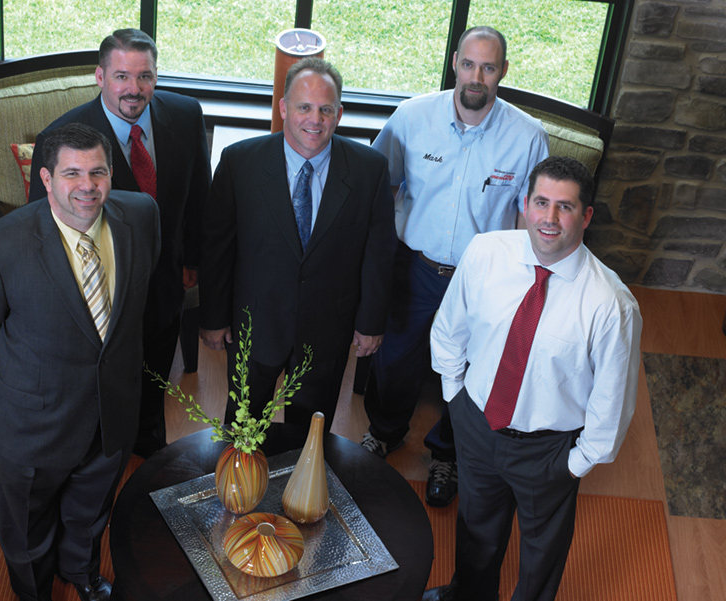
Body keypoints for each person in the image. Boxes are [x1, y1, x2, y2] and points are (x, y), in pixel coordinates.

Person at [0, 123, 160, 601]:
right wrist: (21, 369)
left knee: (91, 509)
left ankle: (80, 572)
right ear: (46, 178)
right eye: (72, 173)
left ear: (111, 173)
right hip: (33, 423)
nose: (87, 185)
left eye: (97, 172)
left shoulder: (142, 215)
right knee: (27, 528)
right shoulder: (0, 247)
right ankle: (36, 592)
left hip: (113, 410)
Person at [424, 156, 642, 601]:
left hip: (549, 450)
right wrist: (456, 401)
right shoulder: (485, 252)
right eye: (541, 202)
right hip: (477, 423)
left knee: (541, 555)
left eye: (565, 207)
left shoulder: (612, 305)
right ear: (525, 204)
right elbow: (449, 330)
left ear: (586, 216)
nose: (549, 218)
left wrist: (574, 464)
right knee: (476, 529)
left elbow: (612, 403)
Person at [361, 25, 549, 507]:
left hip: (481, 278)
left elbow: (533, 216)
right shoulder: (411, 117)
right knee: (394, 358)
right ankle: (384, 432)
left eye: (488, 67)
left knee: (467, 371)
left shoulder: (528, 137)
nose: (476, 77)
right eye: (468, 64)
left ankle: (448, 453)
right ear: (454, 63)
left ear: (503, 71)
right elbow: (379, 189)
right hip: (413, 266)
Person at [29, 28, 211, 459]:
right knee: (102, 381)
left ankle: (148, 444)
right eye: (122, 76)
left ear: (155, 76)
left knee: (155, 370)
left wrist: (193, 259)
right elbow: (44, 228)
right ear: (100, 77)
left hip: (165, 279)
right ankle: (99, 453)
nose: (134, 88)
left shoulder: (186, 115)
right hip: (99, 287)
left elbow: (199, 195)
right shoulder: (61, 138)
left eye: (144, 76)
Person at [199, 57, 397, 433]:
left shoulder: (369, 170)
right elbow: (217, 248)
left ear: (339, 114)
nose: (315, 120)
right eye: (304, 107)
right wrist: (212, 317)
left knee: (310, 436)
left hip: (327, 330)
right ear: (284, 108)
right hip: (254, 325)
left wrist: (371, 322)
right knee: (242, 428)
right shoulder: (240, 162)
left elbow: (379, 253)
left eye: (325, 109)